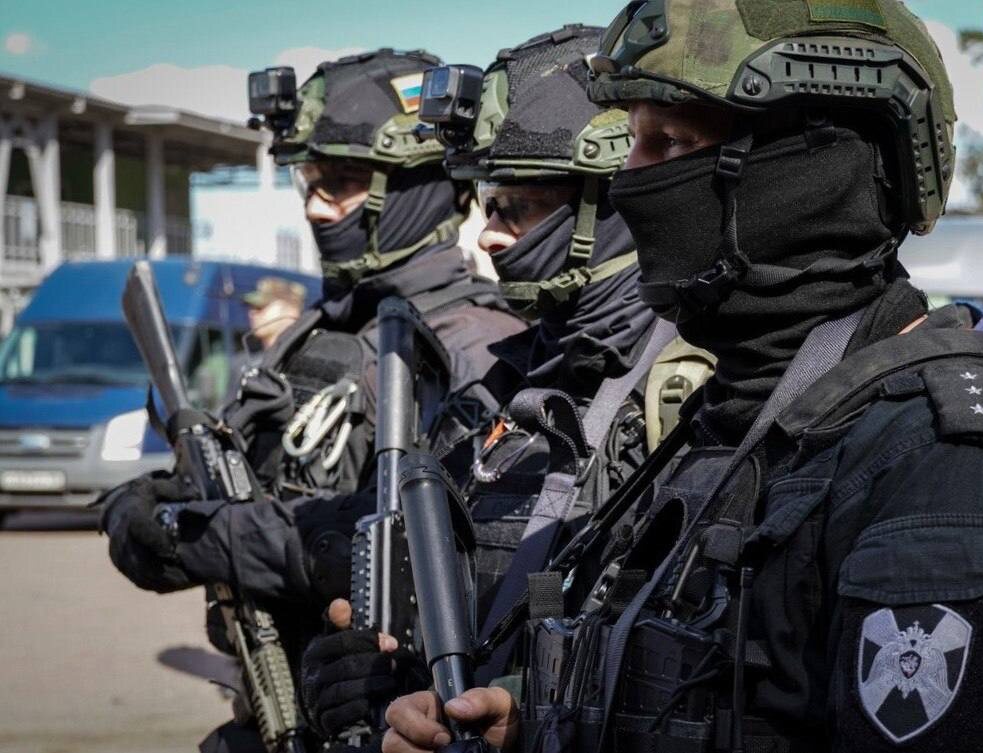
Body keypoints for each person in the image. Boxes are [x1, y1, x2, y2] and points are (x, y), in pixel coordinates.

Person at [380, 2, 983, 752]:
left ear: (815, 173)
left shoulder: (944, 474)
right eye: (633, 141)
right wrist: (529, 728)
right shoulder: (736, 423)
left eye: (672, 141)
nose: (629, 180)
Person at [98, 48, 526, 753]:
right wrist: (155, 513)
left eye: (344, 184)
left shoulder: (476, 346)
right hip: (275, 701)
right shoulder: (319, 328)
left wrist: (206, 535)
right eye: (310, 183)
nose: (315, 207)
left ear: (417, 188)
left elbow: (433, 540)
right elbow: (238, 477)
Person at [297, 24, 714, 747]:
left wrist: (524, 713)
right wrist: (386, 678)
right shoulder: (507, 383)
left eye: (517, 208)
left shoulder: (694, 391)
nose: (488, 234)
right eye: (489, 205)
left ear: (607, 205)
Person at [244, 276, 306, 351]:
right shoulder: (248, 357)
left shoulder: (307, 354)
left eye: (260, 307)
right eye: (251, 307)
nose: (252, 313)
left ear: (291, 310)